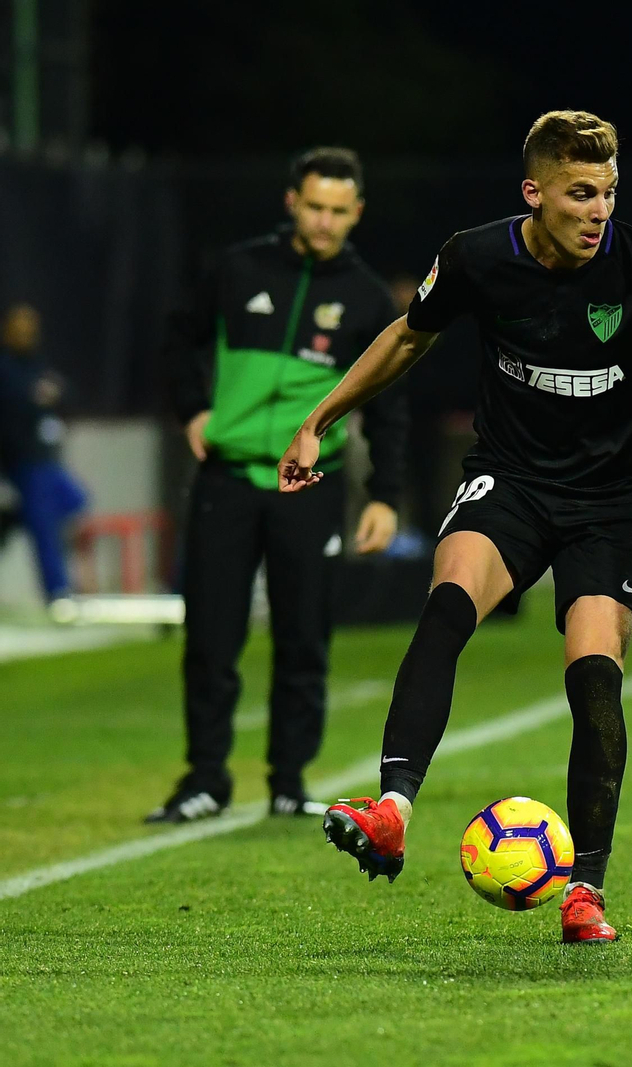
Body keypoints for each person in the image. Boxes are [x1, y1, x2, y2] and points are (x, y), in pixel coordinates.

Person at [277, 111, 632, 943]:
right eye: (581, 193)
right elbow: (407, 340)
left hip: (609, 501)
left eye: (609, 192)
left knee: (593, 670)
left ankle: (585, 889)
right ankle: (393, 810)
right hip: (511, 482)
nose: (599, 211)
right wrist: (321, 418)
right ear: (534, 193)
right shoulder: (477, 257)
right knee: (448, 600)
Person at [150, 147, 409, 824]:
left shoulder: (367, 298)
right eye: (314, 206)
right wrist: (193, 409)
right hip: (229, 477)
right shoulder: (238, 269)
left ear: (356, 212)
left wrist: (385, 494)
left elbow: (388, 404)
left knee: (304, 637)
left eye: (338, 210)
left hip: (312, 488)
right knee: (211, 638)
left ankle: (289, 782)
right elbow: (178, 336)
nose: (324, 221)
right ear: (292, 202)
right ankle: (205, 779)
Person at [0, 302, 88, 606]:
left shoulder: (37, 363)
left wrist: (53, 394)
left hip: (46, 456)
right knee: (45, 526)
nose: (26, 335)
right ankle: (57, 592)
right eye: (20, 329)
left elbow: (64, 391)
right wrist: (35, 398)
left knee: (75, 500)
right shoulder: (5, 368)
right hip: (23, 458)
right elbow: (16, 405)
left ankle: (11, 518)